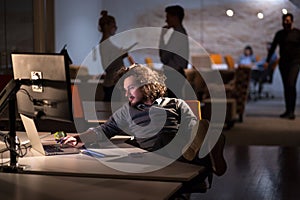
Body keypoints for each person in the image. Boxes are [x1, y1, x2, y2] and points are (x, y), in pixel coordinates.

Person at [63, 64, 209, 164]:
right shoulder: (127, 111)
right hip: (154, 155)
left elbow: (193, 127)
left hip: (180, 151)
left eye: (131, 88)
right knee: (167, 140)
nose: (127, 94)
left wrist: (191, 138)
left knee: (193, 132)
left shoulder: (175, 103)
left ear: (146, 86)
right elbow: (105, 130)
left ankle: (202, 156)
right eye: (125, 89)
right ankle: (207, 157)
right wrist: (79, 137)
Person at [264, 13, 300, 120]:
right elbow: (273, 48)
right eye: (284, 21)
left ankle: (292, 111)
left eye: (288, 21)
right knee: (286, 86)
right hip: (283, 63)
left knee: (291, 84)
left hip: (295, 62)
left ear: (292, 21)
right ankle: (287, 110)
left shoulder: (298, 33)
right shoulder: (279, 34)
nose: (286, 22)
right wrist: (267, 61)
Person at [159, 5, 189, 98]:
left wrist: (162, 37)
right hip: (176, 73)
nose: (166, 20)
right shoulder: (180, 33)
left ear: (175, 17)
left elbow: (164, 57)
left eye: (168, 17)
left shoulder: (177, 35)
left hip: (173, 74)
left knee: (172, 104)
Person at [98, 10, 128, 101]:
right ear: (106, 26)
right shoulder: (105, 44)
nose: (115, 28)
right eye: (113, 25)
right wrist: (119, 55)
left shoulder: (108, 43)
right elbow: (107, 66)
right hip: (112, 84)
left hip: (114, 83)